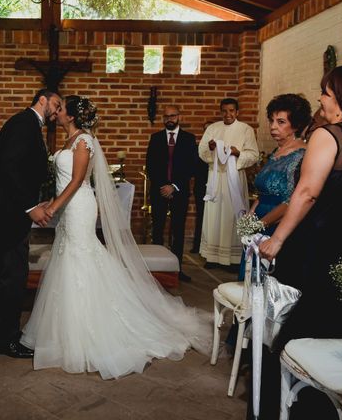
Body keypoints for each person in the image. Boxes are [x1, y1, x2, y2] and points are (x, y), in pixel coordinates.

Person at [21, 96, 211, 380]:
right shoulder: (67, 141)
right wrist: (50, 202)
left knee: (81, 256)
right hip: (68, 208)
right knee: (69, 257)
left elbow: (76, 181)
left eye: (60, 109)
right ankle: (70, 329)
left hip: (79, 206)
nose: (56, 113)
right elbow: (63, 181)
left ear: (71, 116)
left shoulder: (84, 141)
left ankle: (93, 331)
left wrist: (54, 207)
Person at [252, 65, 342, 419]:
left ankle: (285, 409)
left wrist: (277, 239)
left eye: (325, 92)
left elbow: (307, 193)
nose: (321, 98)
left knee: (295, 334)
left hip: (317, 244)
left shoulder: (330, 137)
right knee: (340, 329)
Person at [0, 89, 62, 359]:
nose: (56, 112)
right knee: (11, 278)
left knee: (11, 276)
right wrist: (31, 207)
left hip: (13, 213)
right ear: (42, 99)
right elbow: (9, 167)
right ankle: (4, 340)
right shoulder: (23, 123)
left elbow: (23, 170)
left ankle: (7, 333)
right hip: (9, 216)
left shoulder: (30, 125)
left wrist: (38, 200)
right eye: (55, 105)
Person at [238, 94, 311, 279]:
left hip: (278, 225)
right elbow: (262, 193)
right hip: (259, 223)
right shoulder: (276, 151)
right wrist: (250, 218)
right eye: (271, 121)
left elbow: (292, 201)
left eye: (280, 122)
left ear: (296, 125)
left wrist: (262, 224)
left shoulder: (301, 155)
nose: (273, 127)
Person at [198, 98, 259, 270]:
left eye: (231, 110)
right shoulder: (213, 128)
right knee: (214, 214)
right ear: (220, 112)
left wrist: (237, 152)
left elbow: (253, 155)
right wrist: (211, 148)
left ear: (237, 112)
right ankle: (212, 256)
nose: (228, 114)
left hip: (234, 178)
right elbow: (201, 151)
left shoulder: (245, 129)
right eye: (224, 111)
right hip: (216, 177)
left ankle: (233, 258)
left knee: (233, 214)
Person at [146, 105, 198, 282]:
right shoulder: (155, 138)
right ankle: (157, 269)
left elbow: (192, 167)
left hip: (180, 191)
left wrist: (174, 186)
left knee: (178, 231)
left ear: (179, 117)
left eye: (173, 116)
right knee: (158, 229)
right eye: (166, 116)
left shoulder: (189, 139)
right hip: (159, 191)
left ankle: (177, 269)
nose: (170, 119)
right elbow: (151, 166)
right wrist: (163, 186)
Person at [191, 121, 212, 254]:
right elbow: (194, 169)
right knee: (201, 216)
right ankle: (198, 244)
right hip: (201, 186)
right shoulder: (199, 149)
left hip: (216, 187)